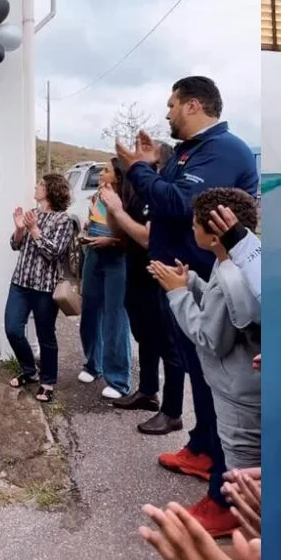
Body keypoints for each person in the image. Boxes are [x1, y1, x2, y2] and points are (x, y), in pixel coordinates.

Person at [116, 76, 258, 537]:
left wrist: (139, 169)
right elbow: (165, 199)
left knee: (217, 385)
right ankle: (201, 448)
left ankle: (227, 496)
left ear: (193, 105)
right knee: (200, 376)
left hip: (205, 287)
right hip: (183, 278)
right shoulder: (187, 152)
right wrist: (156, 164)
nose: (167, 113)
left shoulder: (226, 151)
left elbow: (178, 203)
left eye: (172, 104)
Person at [149, 188, 261, 479]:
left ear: (213, 238)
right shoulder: (237, 261)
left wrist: (178, 294)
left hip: (238, 398)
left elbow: (210, 339)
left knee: (242, 473)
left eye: (195, 224)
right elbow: (225, 309)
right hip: (247, 390)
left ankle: (236, 507)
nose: (191, 228)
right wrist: (192, 282)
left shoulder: (228, 277)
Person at [101, 143, 185, 435]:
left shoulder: (164, 195)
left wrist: (117, 209)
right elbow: (119, 232)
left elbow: (148, 238)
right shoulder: (138, 193)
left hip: (160, 278)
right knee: (145, 337)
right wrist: (111, 207)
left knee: (169, 346)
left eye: (146, 161)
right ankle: (148, 392)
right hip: (136, 272)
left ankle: (172, 412)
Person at [5, 173, 72, 403]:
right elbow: (15, 245)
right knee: (13, 329)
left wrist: (34, 230)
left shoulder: (63, 220)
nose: (36, 186)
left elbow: (55, 253)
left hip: (44, 287)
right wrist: (19, 229)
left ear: (51, 191)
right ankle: (29, 370)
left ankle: (47, 382)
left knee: (46, 335)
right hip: (20, 282)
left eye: (41, 184)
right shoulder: (33, 214)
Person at [76, 159, 132, 401]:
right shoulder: (97, 196)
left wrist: (111, 241)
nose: (101, 173)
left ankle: (119, 379)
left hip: (117, 259)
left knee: (115, 318)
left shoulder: (127, 200)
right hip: (93, 254)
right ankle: (93, 364)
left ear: (118, 177)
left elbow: (134, 235)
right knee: (89, 310)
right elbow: (92, 222)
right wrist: (85, 232)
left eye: (106, 170)